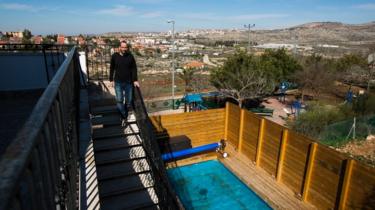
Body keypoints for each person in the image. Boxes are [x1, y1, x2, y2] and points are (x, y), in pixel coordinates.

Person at [110, 41, 140, 121]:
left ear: (127, 48)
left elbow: (134, 69)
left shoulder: (130, 57)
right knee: (119, 100)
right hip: (118, 82)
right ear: (119, 47)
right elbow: (112, 68)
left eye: (125, 47)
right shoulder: (114, 56)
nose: (124, 49)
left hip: (128, 82)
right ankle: (124, 115)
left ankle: (124, 115)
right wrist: (111, 80)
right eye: (122, 47)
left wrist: (135, 80)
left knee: (129, 101)